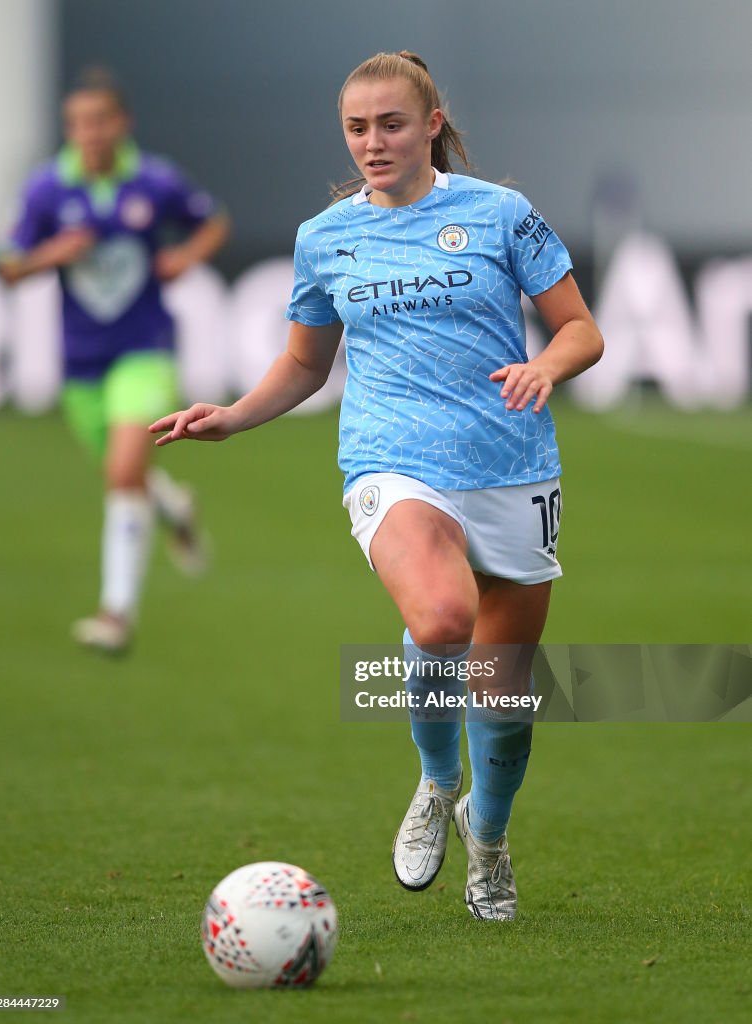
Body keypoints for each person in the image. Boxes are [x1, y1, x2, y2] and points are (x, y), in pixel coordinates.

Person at [150, 51, 603, 919]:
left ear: (431, 124)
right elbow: (304, 363)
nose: (372, 142)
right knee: (439, 617)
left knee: (503, 693)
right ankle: (436, 784)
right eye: (357, 128)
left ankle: (491, 840)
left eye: (390, 124)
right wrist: (237, 415)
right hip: (391, 459)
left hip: (512, 467)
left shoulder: (499, 213)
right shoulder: (326, 237)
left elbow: (581, 329)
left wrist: (547, 364)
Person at [0, 68, 230, 653]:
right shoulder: (48, 189)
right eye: (78, 122)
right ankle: (174, 507)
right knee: (124, 475)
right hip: (80, 363)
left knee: (125, 473)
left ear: (121, 124)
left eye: (100, 120)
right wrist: (51, 253)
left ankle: (115, 614)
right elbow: (10, 265)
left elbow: (212, 222)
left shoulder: (153, 181)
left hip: (144, 351)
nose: (90, 133)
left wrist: (184, 257)